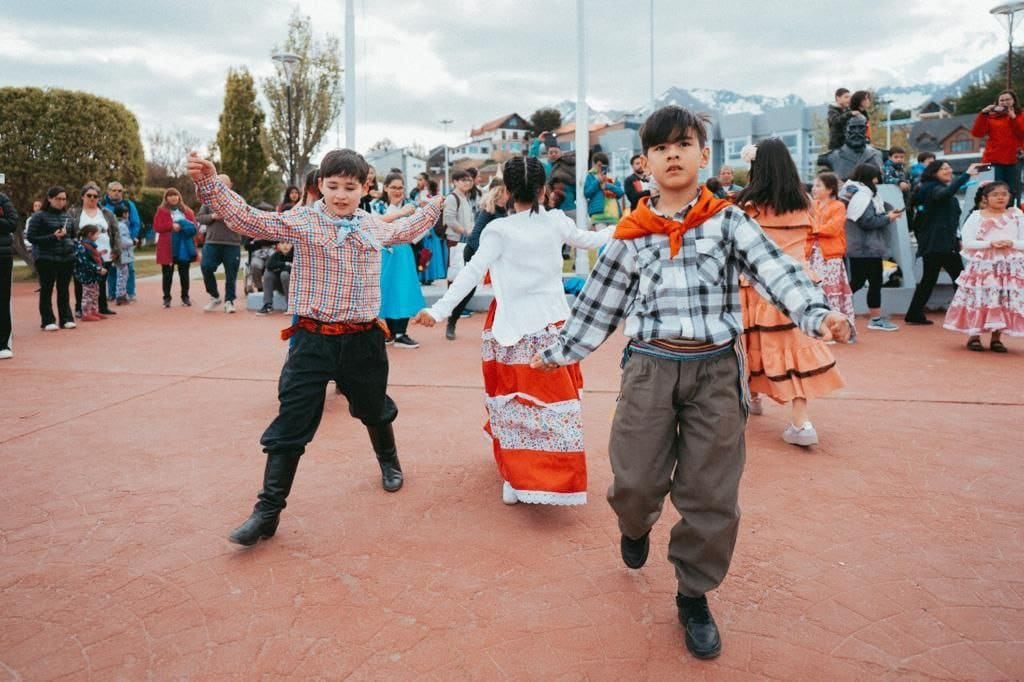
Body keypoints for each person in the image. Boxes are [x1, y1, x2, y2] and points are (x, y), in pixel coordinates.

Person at [530, 106, 849, 660]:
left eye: (683, 144)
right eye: (660, 147)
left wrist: (818, 315)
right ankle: (635, 527)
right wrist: (558, 354)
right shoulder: (630, 235)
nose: (672, 154)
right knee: (633, 481)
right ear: (645, 163)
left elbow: (777, 271)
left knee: (711, 493)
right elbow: (599, 306)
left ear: (705, 156)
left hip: (716, 373)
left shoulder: (728, 221)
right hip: (650, 369)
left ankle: (693, 593)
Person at [186, 148, 444, 546]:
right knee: (292, 420)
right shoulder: (304, 220)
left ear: (365, 188)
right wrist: (209, 183)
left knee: (374, 408)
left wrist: (433, 206)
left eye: (350, 186)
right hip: (312, 339)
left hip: (363, 340)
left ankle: (388, 461)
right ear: (319, 185)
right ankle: (267, 512)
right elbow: (250, 219)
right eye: (333, 185)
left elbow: (406, 231)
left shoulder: (372, 225)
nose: (341, 194)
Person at [414, 156, 610, 505]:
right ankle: (551, 478)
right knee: (555, 405)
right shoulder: (556, 222)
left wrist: (439, 309)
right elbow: (592, 240)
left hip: (511, 330)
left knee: (513, 405)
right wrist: (636, 223)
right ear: (543, 190)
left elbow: (472, 272)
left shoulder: (498, 230)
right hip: (553, 328)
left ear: (505, 190)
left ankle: (517, 479)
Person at [736, 139, 846, 445]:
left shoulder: (746, 204)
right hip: (797, 285)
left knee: (748, 346)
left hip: (754, 285)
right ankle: (801, 423)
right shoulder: (804, 202)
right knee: (793, 351)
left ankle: (751, 398)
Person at [943, 181, 1024, 351]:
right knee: (980, 298)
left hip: (1008, 268)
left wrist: (1011, 243)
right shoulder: (977, 216)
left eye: (1004, 194)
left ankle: (997, 338)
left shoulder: (1017, 215)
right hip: (983, 267)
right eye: (995, 194)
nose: (1000, 197)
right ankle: (974, 336)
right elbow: (968, 242)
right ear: (985, 198)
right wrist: (991, 243)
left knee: (1003, 299)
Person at [904, 160, 983, 324]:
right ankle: (965, 314)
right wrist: (967, 174)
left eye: (950, 167)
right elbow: (945, 195)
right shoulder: (933, 188)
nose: (949, 170)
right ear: (934, 172)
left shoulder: (926, 188)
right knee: (961, 279)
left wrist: (957, 238)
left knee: (930, 279)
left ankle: (914, 313)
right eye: (944, 168)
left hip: (936, 243)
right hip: (941, 244)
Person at [840, 164, 903, 331]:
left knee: (859, 282)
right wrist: (888, 218)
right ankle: (874, 319)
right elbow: (867, 222)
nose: (878, 179)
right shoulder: (864, 196)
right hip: (867, 247)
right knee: (871, 283)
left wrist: (887, 216)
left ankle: (836, 309)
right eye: (876, 176)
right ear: (870, 177)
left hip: (859, 247)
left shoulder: (853, 192)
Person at [446, 179, 509, 340]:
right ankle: (452, 322)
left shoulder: (506, 210)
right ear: (499, 193)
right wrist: (482, 256)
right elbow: (475, 236)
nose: (508, 195)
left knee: (504, 288)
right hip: (475, 253)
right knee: (468, 289)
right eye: (505, 192)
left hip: (495, 256)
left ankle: (500, 328)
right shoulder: (488, 211)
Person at [372, 172, 424, 349]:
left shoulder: (411, 206)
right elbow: (377, 225)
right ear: (385, 187)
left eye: (400, 187)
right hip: (384, 251)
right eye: (393, 187)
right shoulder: (376, 206)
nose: (397, 191)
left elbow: (418, 230)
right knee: (386, 287)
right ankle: (391, 332)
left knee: (404, 287)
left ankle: (402, 332)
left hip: (403, 251)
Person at [808, 172, 856, 337]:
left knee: (831, 290)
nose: (814, 188)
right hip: (812, 255)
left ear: (829, 189)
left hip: (830, 256)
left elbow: (833, 228)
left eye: (818, 185)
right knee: (814, 290)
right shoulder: (812, 205)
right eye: (814, 185)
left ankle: (837, 328)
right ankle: (816, 327)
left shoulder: (838, 206)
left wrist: (813, 230)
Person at [26, 187, 77, 331]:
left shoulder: (68, 216)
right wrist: (53, 237)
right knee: (47, 289)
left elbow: (73, 235)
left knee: (64, 289)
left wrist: (70, 243)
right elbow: (31, 237)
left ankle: (66, 318)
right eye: (58, 199)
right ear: (49, 199)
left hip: (66, 257)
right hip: (46, 257)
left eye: (64, 199)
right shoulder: (39, 216)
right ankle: (47, 320)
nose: (61, 202)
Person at [67, 182, 119, 317]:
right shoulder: (74, 213)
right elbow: (69, 232)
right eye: (88, 195)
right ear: (82, 197)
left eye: (95, 196)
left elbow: (115, 232)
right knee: (81, 281)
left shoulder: (106, 213)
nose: (92, 198)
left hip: (104, 253)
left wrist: (116, 249)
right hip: (83, 254)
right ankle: (80, 308)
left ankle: (101, 307)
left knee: (101, 281)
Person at [197, 174, 242, 313]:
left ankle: (229, 301)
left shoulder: (237, 200)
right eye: (219, 183)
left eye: (224, 184)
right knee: (206, 267)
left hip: (232, 243)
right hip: (212, 242)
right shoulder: (208, 200)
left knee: (231, 274)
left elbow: (244, 217)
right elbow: (199, 218)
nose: (221, 186)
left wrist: (230, 215)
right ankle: (214, 296)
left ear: (230, 185)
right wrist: (213, 216)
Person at [971, 90, 1024, 205]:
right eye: (1002, 100)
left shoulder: (1021, 115)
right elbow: (977, 133)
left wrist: (1013, 117)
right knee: (993, 189)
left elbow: (1022, 133)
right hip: (993, 159)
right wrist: (983, 113)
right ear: (997, 103)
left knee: (1012, 191)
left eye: (1008, 99)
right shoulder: (991, 116)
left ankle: (1011, 215)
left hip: (1014, 159)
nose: (1005, 102)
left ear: (1014, 101)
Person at [442, 170, 477, 335]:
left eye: (469, 180)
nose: (467, 183)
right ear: (455, 181)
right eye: (463, 180)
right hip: (455, 241)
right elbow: (449, 219)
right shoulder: (452, 198)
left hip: (465, 241)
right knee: (455, 277)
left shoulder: (465, 198)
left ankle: (455, 310)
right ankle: (452, 312)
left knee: (465, 277)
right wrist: (465, 231)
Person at [153, 188, 197, 308]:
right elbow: (157, 227)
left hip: (184, 246)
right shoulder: (161, 211)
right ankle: (166, 298)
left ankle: (185, 297)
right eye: (170, 195)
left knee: (184, 273)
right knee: (167, 274)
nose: (173, 197)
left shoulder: (187, 211)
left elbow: (194, 227)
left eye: (175, 195)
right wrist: (171, 226)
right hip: (168, 246)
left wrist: (184, 226)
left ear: (179, 197)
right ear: (166, 198)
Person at [100, 181, 141, 302]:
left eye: (120, 191)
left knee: (129, 268)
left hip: (126, 244)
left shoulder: (129, 205)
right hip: (108, 243)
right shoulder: (102, 205)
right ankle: (112, 293)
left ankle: (130, 292)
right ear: (108, 191)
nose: (117, 193)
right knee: (110, 268)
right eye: (114, 190)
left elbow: (135, 223)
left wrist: (130, 239)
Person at [74, 224, 108, 321]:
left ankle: (93, 310)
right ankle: (85, 313)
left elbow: (92, 257)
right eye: (97, 234)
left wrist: (100, 253)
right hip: (86, 274)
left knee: (95, 293)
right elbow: (84, 262)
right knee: (88, 294)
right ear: (90, 234)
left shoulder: (91, 246)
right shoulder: (82, 246)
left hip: (93, 275)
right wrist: (97, 268)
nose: (98, 236)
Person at [584, 152, 624, 225]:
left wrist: (607, 185)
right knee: (600, 236)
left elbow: (620, 193)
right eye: (599, 165)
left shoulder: (613, 176)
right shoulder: (590, 176)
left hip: (613, 213)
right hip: (598, 214)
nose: (600, 168)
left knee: (613, 236)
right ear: (594, 164)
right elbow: (587, 193)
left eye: (604, 166)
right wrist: (597, 181)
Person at [0, 190, 17, 358]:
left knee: (2, 300)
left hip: (2, 256)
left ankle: (3, 343)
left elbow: (12, 223)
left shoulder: (2, 198)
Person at [257, 242, 293, 315]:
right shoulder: (276, 255)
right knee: (268, 273)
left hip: (292, 288)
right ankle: (268, 305)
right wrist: (285, 264)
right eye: (282, 243)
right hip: (279, 286)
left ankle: (290, 306)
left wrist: (279, 267)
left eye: (288, 243)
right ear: (278, 245)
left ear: (292, 245)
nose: (285, 245)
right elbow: (269, 265)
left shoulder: (296, 255)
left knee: (284, 274)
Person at [112, 206, 135, 305]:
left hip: (121, 253)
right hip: (123, 254)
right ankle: (120, 295)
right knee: (122, 274)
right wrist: (132, 242)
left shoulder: (118, 224)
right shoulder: (122, 225)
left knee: (121, 274)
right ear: (125, 214)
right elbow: (123, 241)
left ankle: (121, 294)